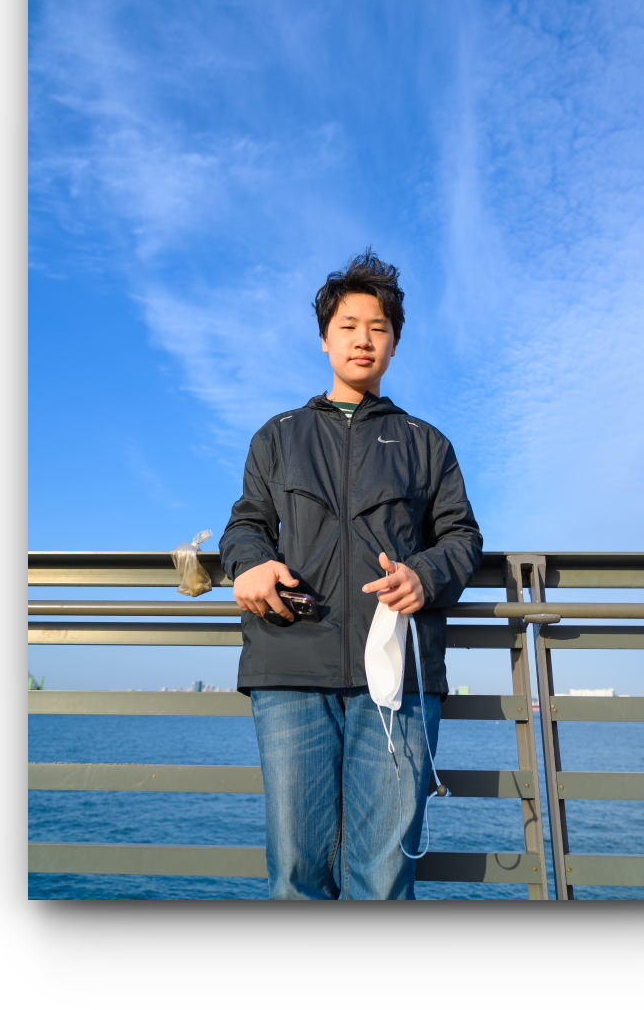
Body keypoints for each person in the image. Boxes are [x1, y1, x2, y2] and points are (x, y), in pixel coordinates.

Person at [219, 248, 483, 899]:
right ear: (324, 339)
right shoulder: (277, 435)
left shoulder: (427, 443)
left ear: (394, 344)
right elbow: (245, 525)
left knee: (384, 876)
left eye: (378, 328)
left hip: (398, 678)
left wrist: (424, 574)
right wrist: (249, 564)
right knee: (296, 874)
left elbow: (462, 537)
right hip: (290, 666)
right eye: (348, 326)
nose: (363, 339)